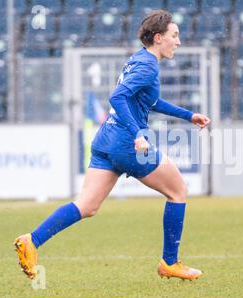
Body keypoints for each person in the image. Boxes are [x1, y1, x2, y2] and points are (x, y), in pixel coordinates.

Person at [14, 10, 211, 281]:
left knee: (87, 206)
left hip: (106, 140)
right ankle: (170, 262)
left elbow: (150, 102)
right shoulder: (148, 65)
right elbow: (117, 97)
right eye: (174, 36)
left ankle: (31, 241)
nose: (178, 41)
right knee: (178, 190)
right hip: (125, 143)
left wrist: (189, 115)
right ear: (158, 38)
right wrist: (137, 135)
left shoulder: (139, 59)